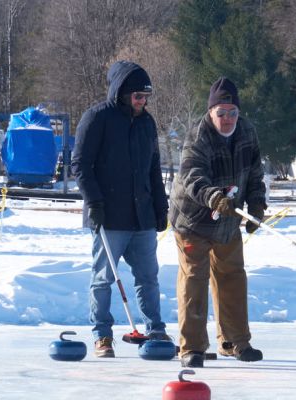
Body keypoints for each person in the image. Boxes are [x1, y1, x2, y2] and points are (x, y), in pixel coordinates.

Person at [71, 60, 170, 358]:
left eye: (146, 97)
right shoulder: (97, 117)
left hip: (142, 218)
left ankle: (155, 329)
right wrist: (94, 202)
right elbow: (80, 165)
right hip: (109, 216)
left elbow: (153, 169)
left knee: (148, 277)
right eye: (138, 96)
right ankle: (102, 334)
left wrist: (161, 207)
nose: (142, 102)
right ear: (122, 93)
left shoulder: (146, 123)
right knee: (103, 278)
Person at [168, 77, 267, 368]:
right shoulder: (198, 136)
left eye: (232, 112)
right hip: (193, 220)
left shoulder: (247, 131)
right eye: (221, 112)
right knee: (194, 280)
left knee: (232, 276)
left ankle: (234, 341)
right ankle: (192, 348)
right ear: (211, 112)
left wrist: (256, 204)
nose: (227, 119)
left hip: (227, 219)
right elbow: (192, 177)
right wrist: (213, 197)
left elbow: (255, 172)